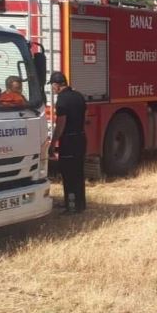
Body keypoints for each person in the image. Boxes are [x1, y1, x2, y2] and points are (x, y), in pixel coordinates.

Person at [49, 71, 87, 213]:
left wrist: (53, 144)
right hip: (81, 138)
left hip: (69, 141)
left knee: (69, 175)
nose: (52, 89)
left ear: (57, 85)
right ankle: (80, 205)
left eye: (52, 86)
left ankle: (71, 207)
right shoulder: (79, 96)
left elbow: (61, 124)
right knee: (78, 173)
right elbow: (85, 117)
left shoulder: (62, 100)